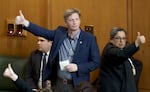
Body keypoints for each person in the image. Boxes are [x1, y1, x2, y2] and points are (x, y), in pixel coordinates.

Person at [15, 8, 100, 92]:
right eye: (71, 20)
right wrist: (25, 23)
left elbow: (96, 62)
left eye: (77, 19)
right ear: (66, 23)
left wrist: (78, 67)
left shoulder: (89, 39)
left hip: (78, 85)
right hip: (59, 84)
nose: (75, 22)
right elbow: (42, 32)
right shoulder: (60, 33)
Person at [99, 27, 146, 92]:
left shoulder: (125, 51)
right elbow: (121, 54)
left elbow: (136, 64)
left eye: (123, 38)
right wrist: (136, 43)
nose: (121, 41)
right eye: (118, 38)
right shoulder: (109, 50)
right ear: (111, 40)